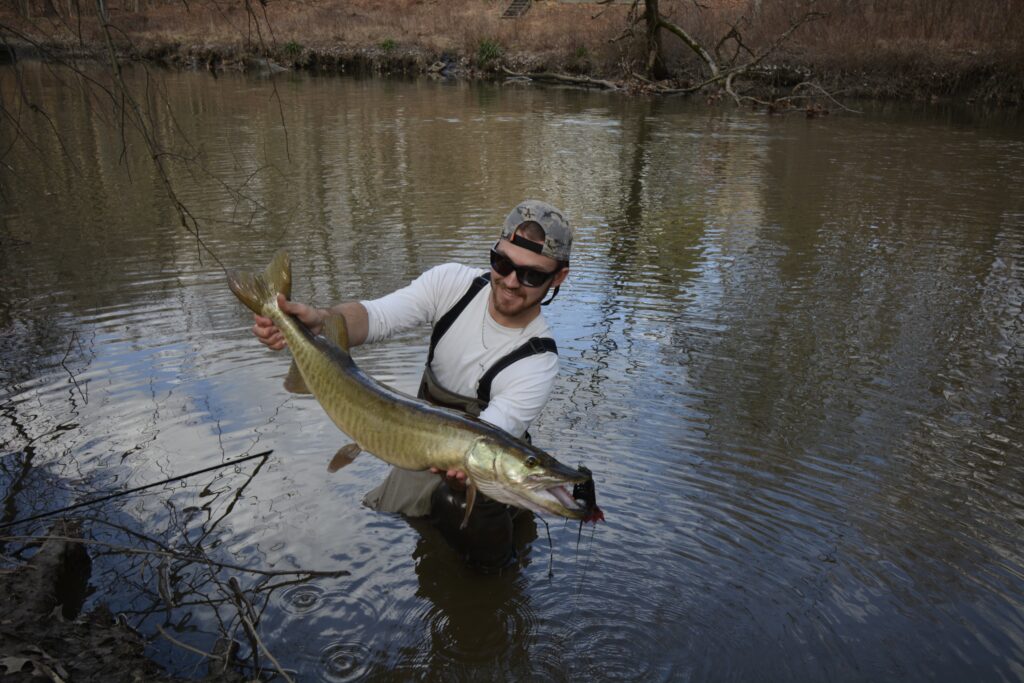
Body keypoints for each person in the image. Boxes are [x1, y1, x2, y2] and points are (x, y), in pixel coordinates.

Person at [252, 199, 572, 567]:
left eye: (531, 275)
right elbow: (375, 317)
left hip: (461, 457)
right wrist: (319, 321)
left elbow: (488, 444)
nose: (511, 282)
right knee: (416, 517)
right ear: (494, 253)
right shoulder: (453, 283)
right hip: (412, 432)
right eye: (502, 263)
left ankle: (494, 568)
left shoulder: (537, 362)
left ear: (558, 277)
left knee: (464, 506)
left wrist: (462, 479)